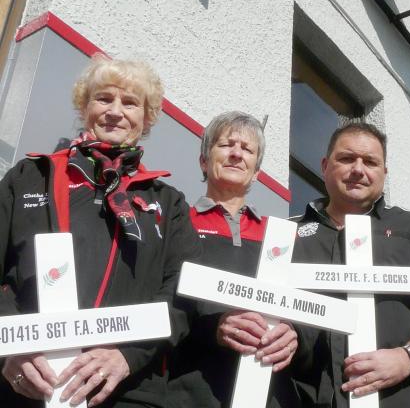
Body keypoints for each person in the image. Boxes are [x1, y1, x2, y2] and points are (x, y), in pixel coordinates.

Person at [0, 55, 200, 408]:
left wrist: (129, 356)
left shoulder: (168, 203)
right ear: (85, 105)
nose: (115, 111)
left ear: (146, 116)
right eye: (104, 98)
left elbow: (184, 292)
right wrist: (9, 346)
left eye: (130, 103)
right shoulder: (31, 176)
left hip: (127, 390)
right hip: (26, 382)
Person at [290, 122, 410, 407]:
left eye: (370, 161)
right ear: (324, 165)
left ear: (384, 172)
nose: (358, 169)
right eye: (346, 158)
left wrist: (409, 357)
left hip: (404, 399)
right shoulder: (286, 235)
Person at [167, 111, 299, 407]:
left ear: (256, 172)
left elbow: (303, 306)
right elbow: (162, 303)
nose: (237, 154)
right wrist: (212, 328)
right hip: (189, 394)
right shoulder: (178, 223)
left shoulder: (279, 237)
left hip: (270, 394)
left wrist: (295, 334)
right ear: (204, 160)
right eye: (226, 145)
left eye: (247, 149)